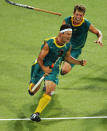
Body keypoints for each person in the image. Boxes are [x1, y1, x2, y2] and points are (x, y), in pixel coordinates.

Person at [28, 24, 87, 122]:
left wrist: (79, 62)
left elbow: (67, 58)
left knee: (50, 90)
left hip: (53, 69)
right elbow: (40, 58)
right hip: (40, 66)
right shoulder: (49, 43)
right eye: (68, 34)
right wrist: (44, 68)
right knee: (32, 91)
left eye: (70, 34)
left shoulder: (68, 45)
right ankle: (33, 82)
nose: (69, 36)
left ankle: (36, 114)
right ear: (61, 33)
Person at [61, 4, 103, 75]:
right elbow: (61, 34)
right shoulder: (67, 21)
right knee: (51, 65)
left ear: (83, 15)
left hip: (75, 50)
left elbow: (98, 32)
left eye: (80, 15)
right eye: (77, 14)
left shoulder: (86, 24)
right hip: (64, 47)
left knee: (64, 71)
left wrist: (99, 38)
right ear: (74, 13)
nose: (78, 17)